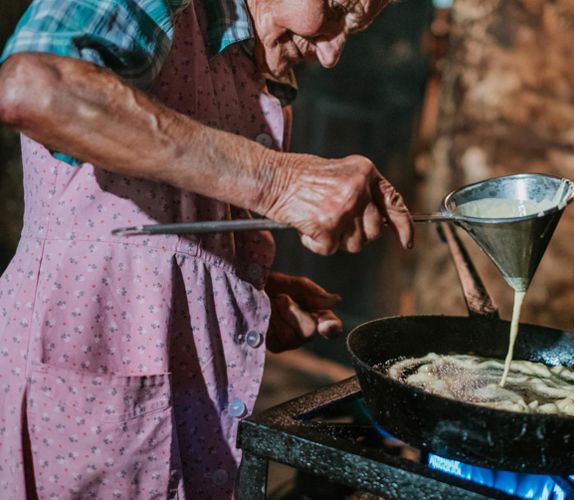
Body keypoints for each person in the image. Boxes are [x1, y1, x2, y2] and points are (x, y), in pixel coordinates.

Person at [0, 0, 413, 497]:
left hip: (193, 414)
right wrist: (276, 181)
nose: (331, 54)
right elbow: (34, 86)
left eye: (354, 27)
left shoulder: (255, 70)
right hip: (83, 396)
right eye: (334, 8)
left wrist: (232, 295)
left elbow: (155, 230)